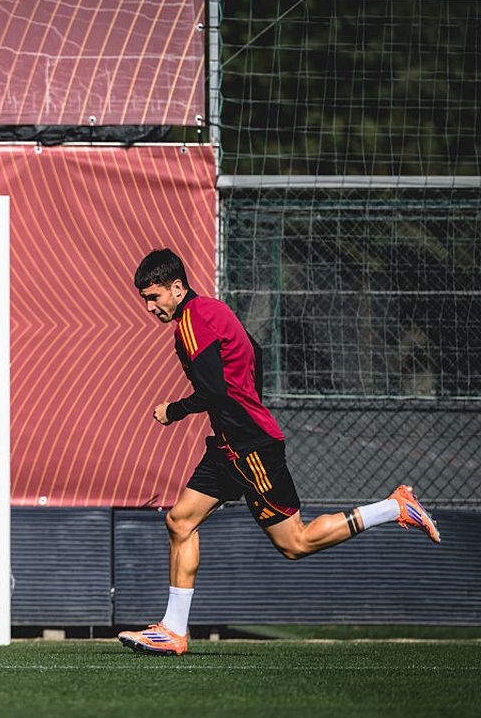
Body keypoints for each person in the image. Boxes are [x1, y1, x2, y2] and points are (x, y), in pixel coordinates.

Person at [117, 248, 440, 656]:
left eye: (154, 297)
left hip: (249, 448)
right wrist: (250, 406)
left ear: (177, 288)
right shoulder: (212, 311)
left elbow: (215, 391)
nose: (149, 307)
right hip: (230, 446)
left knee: (296, 544)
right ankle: (173, 630)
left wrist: (174, 410)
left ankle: (395, 508)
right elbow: (256, 351)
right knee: (180, 522)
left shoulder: (193, 322)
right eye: (145, 299)